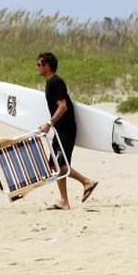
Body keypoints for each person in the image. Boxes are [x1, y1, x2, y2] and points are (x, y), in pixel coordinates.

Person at [36, 52, 98, 209]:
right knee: (56, 164)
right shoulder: (51, 82)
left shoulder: (55, 82)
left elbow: (63, 106)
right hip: (62, 129)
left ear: (47, 66)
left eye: (39, 64)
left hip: (65, 129)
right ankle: (64, 201)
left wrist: (49, 123)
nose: (37, 67)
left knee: (59, 164)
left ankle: (87, 182)